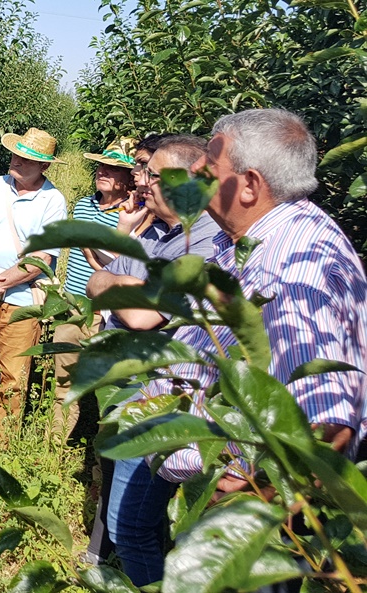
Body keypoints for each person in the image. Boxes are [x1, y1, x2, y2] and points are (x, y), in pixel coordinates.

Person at [155, 110, 367, 527]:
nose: (195, 168)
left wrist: (259, 504)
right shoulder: (253, 240)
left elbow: (328, 423)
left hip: (273, 531)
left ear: (249, 185)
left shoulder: (291, 273)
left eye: (209, 163)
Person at [83, 135, 220, 585]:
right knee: (138, 519)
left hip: (174, 398)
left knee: (137, 524)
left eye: (151, 175)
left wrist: (106, 281)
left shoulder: (203, 241)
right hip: (148, 387)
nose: (142, 184)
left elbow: (139, 312)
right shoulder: (160, 231)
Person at [0, 127, 67, 442]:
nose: (18, 162)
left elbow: (42, 259)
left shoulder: (53, 201)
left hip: (21, 301)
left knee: (12, 374)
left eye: (28, 159)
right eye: (17, 155)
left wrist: (0, 282)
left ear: (44, 166)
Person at [50, 137, 137, 442]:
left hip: (110, 315)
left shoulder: (134, 215)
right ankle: (54, 449)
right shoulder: (84, 205)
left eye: (113, 169)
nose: (102, 172)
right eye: (101, 166)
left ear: (130, 179)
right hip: (74, 308)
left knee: (108, 392)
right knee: (63, 384)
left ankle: (100, 465)